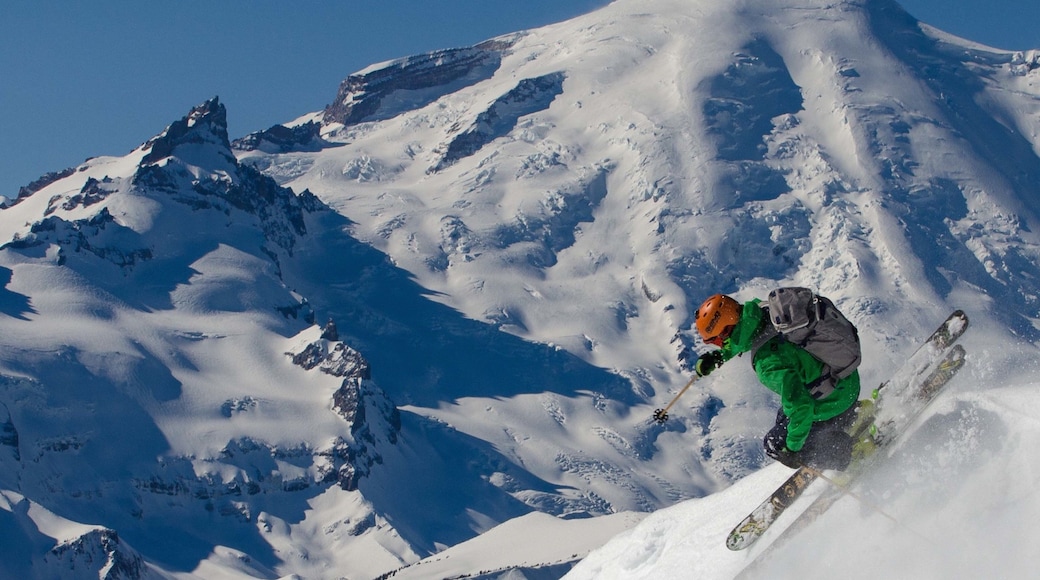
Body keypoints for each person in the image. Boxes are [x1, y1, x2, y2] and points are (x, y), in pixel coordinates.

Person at [693, 293, 860, 471]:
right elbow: (745, 333)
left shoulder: (767, 363)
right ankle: (851, 416)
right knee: (783, 417)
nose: (719, 345)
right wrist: (719, 357)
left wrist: (793, 449)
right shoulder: (765, 311)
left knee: (775, 443)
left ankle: (849, 454)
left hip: (836, 400)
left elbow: (801, 406)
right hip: (846, 377)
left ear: (726, 331)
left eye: (716, 341)